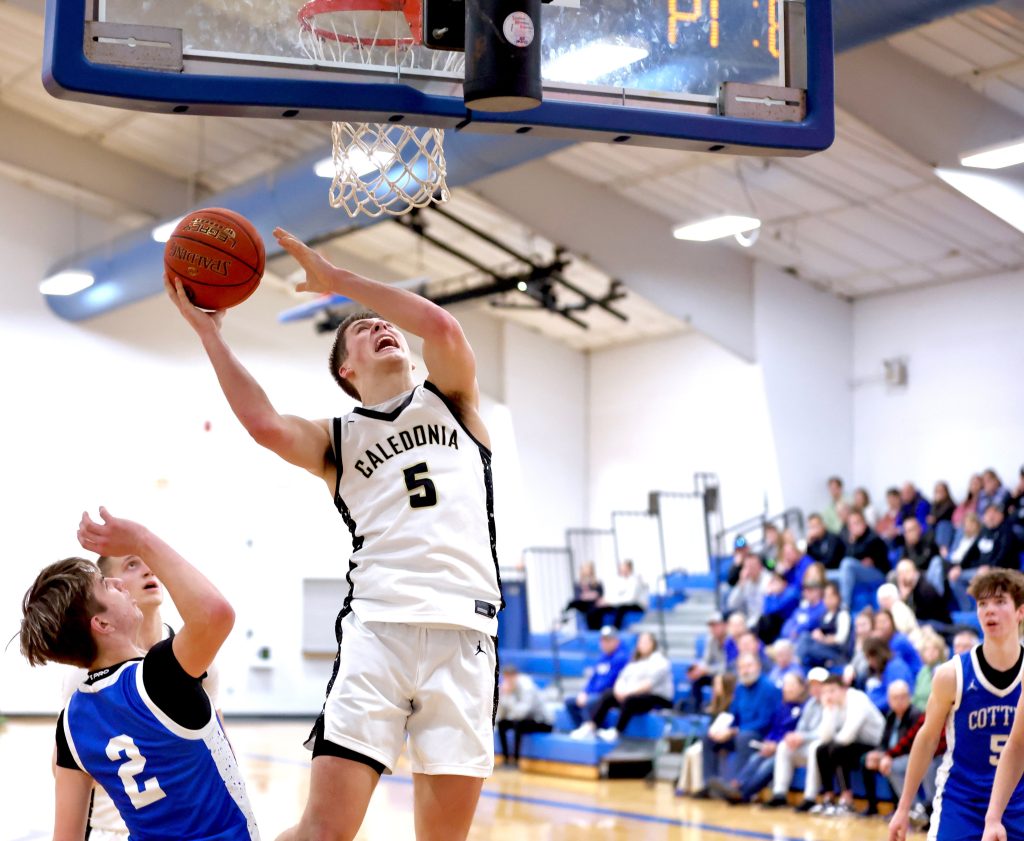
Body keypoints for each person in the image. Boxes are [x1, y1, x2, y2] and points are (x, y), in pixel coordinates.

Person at [168, 230, 503, 841]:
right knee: (324, 832)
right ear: (347, 370)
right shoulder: (338, 438)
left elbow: (445, 331)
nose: (383, 328)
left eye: (386, 324)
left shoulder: (453, 400)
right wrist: (209, 333)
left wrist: (342, 282)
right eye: (362, 330)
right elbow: (266, 425)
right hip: (378, 628)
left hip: (466, 633)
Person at [20, 509, 254, 841]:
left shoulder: (70, 724)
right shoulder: (163, 674)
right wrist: (141, 539)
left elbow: (66, 836)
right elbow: (216, 614)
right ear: (101, 624)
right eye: (106, 584)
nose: (116, 582)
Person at [58, 551, 223, 841]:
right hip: (110, 828)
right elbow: (67, 767)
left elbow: (220, 745)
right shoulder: (83, 681)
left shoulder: (197, 660)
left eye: (149, 561)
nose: (148, 570)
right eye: (132, 565)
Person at [888, 569, 1024, 841]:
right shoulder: (952, 674)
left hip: (1018, 802)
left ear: (1020, 611)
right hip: (961, 801)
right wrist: (903, 808)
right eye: (982, 604)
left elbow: (1019, 746)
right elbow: (926, 739)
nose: (989, 611)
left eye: (999, 602)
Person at [706, 672, 806, 804]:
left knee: (768, 765)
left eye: (792, 685)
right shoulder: (780, 708)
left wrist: (777, 745)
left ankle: (743, 794)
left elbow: (798, 733)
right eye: (786, 685)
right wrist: (768, 742)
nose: (788, 688)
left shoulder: (804, 709)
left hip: (788, 749)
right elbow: (773, 729)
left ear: (801, 688)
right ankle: (735, 786)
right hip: (771, 746)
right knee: (755, 758)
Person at [697, 652, 780, 797]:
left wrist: (734, 731)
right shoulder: (740, 688)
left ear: (758, 667)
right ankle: (709, 782)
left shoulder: (769, 688)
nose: (745, 670)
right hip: (738, 733)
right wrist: (722, 730)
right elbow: (733, 715)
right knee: (708, 737)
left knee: (744, 737)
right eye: (741, 667)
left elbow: (765, 722)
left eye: (749, 666)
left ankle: (737, 786)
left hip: (760, 737)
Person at [799, 675, 884, 815]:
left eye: (832, 691)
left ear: (844, 689)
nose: (829, 695)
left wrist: (830, 711)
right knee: (821, 749)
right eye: (825, 692)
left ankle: (847, 799)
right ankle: (829, 797)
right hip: (856, 743)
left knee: (837, 749)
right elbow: (825, 737)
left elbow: (847, 736)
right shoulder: (834, 705)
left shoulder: (857, 699)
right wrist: (828, 710)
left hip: (876, 744)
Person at [572, 632, 672, 742]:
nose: (643, 644)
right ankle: (591, 727)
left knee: (631, 700)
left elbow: (649, 684)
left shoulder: (660, 661)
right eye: (641, 642)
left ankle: (617, 731)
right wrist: (618, 690)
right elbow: (621, 678)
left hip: (656, 697)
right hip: (632, 694)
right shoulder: (634, 661)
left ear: (653, 644)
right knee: (608, 695)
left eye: (646, 642)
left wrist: (627, 693)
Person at [764, 667, 828, 808]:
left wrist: (802, 737)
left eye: (819, 685)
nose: (816, 688)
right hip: (808, 746)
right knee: (784, 746)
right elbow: (802, 727)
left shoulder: (831, 703)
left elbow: (825, 733)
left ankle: (810, 798)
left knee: (814, 748)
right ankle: (779, 793)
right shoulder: (810, 704)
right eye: (813, 685)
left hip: (823, 749)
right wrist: (794, 737)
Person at [860, 680, 922, 817]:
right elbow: (884, 741)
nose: (899, 701)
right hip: (893, 754)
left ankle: (910, 808)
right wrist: (878, 753)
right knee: (866, 759)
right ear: (889, 700)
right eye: (895, 698)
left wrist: (887, 756)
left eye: (903, 696)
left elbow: (910, 745)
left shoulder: (915, 715)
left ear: (909, 697)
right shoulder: (891, 716)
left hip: (910, 757)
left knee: (890, 765)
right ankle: (872, 806)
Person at [564, 626, 630, 728]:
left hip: (609, 695)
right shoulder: (602, 658)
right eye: (602, 640)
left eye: (608, 640)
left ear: (616, 641)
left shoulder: (621, 658)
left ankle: (596, 731)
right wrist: (584, 692)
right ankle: (581, 729)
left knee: (590, 703)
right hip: (594, 693)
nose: (604, 643)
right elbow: (592, 679)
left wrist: (589, 695)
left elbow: (610, 681)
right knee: (570, 702)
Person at [494, 665, 552, 768]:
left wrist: (508, 696)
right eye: (506, 678)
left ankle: (516, 762)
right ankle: (506, 760)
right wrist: (503, 694)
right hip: (524, 720)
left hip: (543, 721)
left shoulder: (527, 686)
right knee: (502, 724)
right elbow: (501, 714)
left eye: (509, 678)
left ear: (515, 676)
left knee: (518, 724)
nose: (507, 681)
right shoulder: (506, 687)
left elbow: (522, 713)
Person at [837, 510, 891, 609]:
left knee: (847, 564)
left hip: (878, 573)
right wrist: (853, 543)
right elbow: (848, 556)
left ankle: (844, 606)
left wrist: (855, 548)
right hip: (858, 572)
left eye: (858, 522)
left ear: (864, 522)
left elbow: (869, 553)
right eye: (852, 524)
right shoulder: (852, 540)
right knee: (832, 574)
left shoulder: (873, 536)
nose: (856, 526)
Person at [797, 581, 850, 668]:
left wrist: (823, 639)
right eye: (825, 597)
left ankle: (796, 665)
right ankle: (797, 662)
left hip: (835, 651)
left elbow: (841, 639)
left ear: (837, 597)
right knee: (805, 636)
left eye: (830, 596)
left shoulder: (842, 614)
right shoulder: (825, 614)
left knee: (809, 649)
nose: (827, 600)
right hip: (822, 647)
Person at [685, 613, 728, 713]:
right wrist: (698, 669)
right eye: (711, 626)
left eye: (716, 625)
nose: (713, 628)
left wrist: (707, 669)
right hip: (716, 673)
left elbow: (728, 665)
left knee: (719, 679)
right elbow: (706, 660)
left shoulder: (730, 640)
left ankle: (719, 711)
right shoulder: (710, 640)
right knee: (697, 679)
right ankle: (696, 710)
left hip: (728, 675)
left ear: (724, 625)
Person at [596, 559, 648, 629]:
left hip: (637, 605)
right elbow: (615, 595)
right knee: (599, 608)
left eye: (624, 568)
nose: (621, 570)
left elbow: (630, 599)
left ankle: (616, 630)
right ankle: (597, 630)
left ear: (629, 568)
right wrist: (606, 601)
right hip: (621, 603)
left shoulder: (636, 580)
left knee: (621, 608)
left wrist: (609, 602)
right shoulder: (620, 580)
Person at [565, 561, 604, 631]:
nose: (586, 571)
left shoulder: (597, 582)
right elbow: (579, 596)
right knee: (572, 602)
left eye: (588, 569)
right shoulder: (578, 583)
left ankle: (593, 630)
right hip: (583, 605)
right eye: (585, 569)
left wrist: (588, 595)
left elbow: (599, 595)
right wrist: (591, 594)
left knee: (592, 609)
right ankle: (564, 615)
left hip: (593, 605)